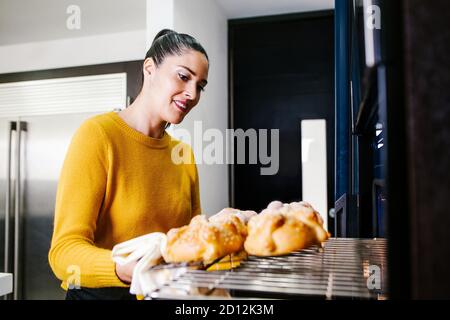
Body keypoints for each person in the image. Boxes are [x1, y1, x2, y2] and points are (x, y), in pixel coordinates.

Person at [48, 29, 209, 300]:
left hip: (165, 293)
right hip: (100, 295)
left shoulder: (184, 155)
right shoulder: (98, 135)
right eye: (183, 77)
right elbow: (64, 253)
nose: (192, 93)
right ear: (150, 68)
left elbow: (191, 243)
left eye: (200, 85)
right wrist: (128, 269)